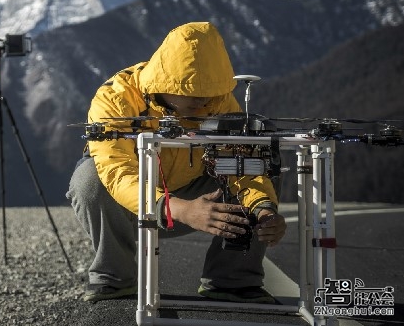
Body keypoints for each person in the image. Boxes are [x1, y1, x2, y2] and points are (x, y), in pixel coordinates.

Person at [67, 21, 286, 303]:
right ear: (166, 82)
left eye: (209, 95)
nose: (204, 104)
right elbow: (117, 172)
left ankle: (232, 280)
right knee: (90, 180)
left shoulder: (218, 99)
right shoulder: (115, 97)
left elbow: (240, 162)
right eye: (193, 95)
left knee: (259, 165)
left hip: (199, 198)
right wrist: (179, 209)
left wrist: (264, 209)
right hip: (130, 207)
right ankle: (114, 278)